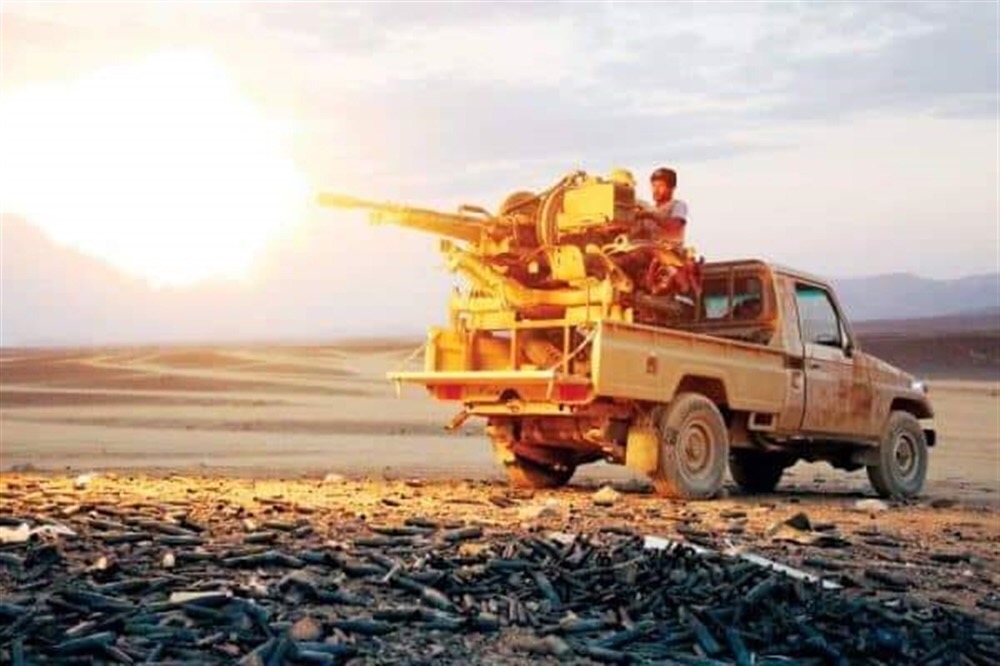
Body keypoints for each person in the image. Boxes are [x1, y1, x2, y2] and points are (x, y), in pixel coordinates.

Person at [636, 167, 688, 243]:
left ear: (671, 188)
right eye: (653, 186)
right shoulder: (647, 208)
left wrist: (650, 215)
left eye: (661, 186)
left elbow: (674, 228)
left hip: (668, 249)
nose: (656, 190)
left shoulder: (678, 205)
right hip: (647, 248)